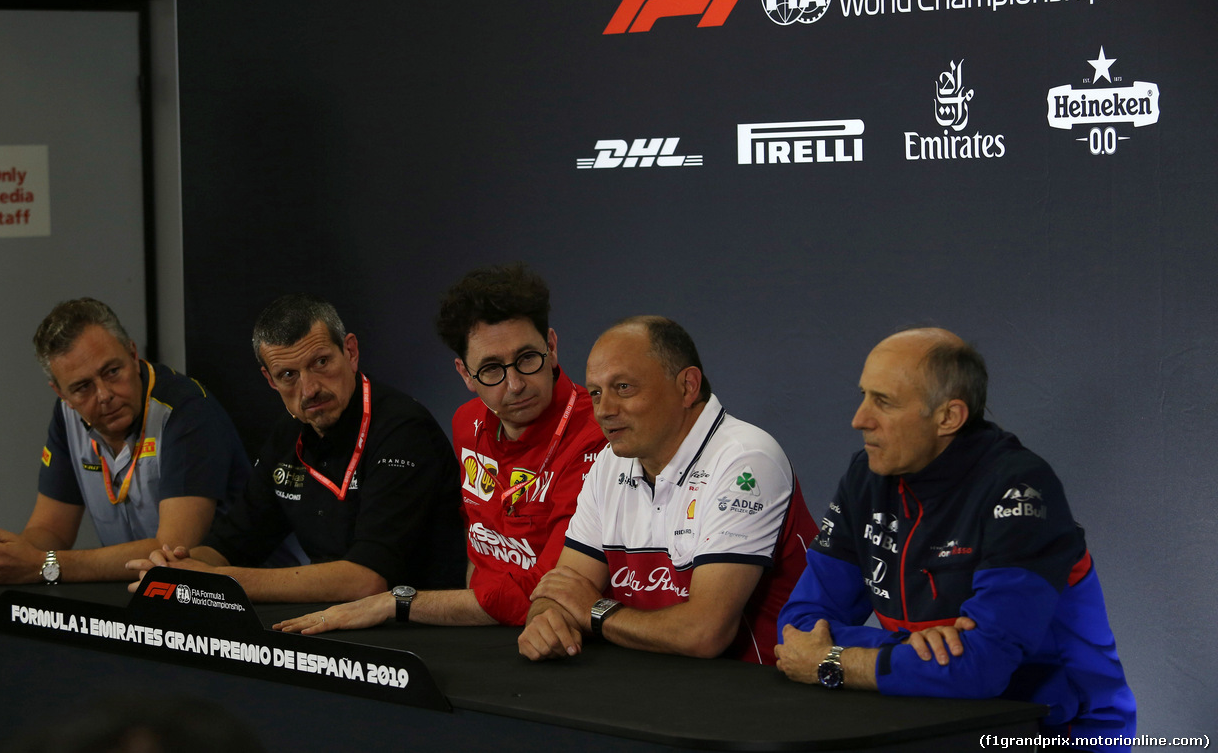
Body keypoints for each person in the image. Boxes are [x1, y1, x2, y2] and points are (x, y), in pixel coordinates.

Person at [775, 328, 1135, 743]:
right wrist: (912, 648)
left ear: (949, 417)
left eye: (884, 402)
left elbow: (983, 668)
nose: (860, 419)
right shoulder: (867, 476)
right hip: (929, 716)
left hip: (1056, 731)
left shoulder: (1020, 488)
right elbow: (799, 628)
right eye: (863, 395)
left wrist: (836, 663)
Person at [276, 263, 608, 633]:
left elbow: (546, 594)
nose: (515, 385)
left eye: (528, 359)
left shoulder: (596, 437)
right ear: (465, 374)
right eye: (491, 369)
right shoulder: (467, 423)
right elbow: (478, 545)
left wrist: (397, 602)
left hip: (550, 631)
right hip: (472, 626)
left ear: (552, 346)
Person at [128, 294, 465, 603]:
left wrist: (216, 580)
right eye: (288, 374)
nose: (310, 389)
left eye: (321, 363)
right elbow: (232, 543)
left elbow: (366, 580)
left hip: (418, 628)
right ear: (270, 380)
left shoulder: (404, 429)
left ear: (350, 352)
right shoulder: (288, 436)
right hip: (334, 620)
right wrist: (176, 566)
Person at [518, 316, 817, 664]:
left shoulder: (745, 459)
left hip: (758, 693)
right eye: (596, 393)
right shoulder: (609, 463)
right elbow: (560, 589)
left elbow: (705, 634)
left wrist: (596, 612)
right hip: (659, 686)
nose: (604, 411)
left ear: (688, 386)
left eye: (624, 388)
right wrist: (544, 620)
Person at [0, 298, 249, 584]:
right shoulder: (67, 415)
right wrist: (11, 553)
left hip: (236, 593)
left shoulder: (187, 410)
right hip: (135, 590)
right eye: (82, 387)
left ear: (132, 353)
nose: (104, 394)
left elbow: (172, 551)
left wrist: (45, 564)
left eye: (112, 372)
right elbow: (51, 531)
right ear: (61, 394)